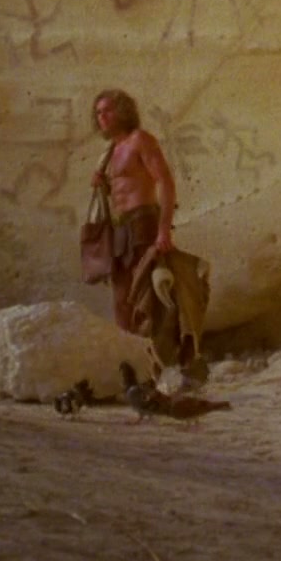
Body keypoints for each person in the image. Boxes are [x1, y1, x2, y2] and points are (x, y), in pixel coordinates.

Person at [91, 89, 209, 384]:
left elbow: (165, 181)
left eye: (108, 110)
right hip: (119, 229)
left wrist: (163, 229)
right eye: (98, 112)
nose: (102, 117)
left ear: (123, 111)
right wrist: (102, 182)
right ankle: (131, 367)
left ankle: (158, 368)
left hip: (143, 223)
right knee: (121, 300)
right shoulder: (110, 152)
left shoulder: (140, 140)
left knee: (147, 298)